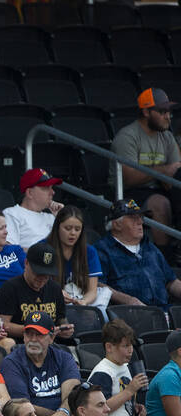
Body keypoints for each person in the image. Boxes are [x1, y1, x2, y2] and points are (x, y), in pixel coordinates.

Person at [112, 87, 181, 250]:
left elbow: (176, 172)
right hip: (128, 192)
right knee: (160, 203)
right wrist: (162, 171)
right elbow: (128, 177)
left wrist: (167, 175)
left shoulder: (167, 137)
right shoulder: (127, 136)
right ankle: (165, 257)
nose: (168, 116)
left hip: (158, 187)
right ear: (146, 112)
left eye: (169, 112)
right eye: (162, 111)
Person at [93, 199, 181, 308]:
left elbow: (171, 281)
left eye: (141, 217)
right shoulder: (102, 250)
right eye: (133, 218)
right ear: (117, 225)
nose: (140, 222)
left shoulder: (150, 247)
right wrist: (129, 300)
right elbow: (97, 285)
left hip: (164, 312)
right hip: (130, 316)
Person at [0, 311, 81, 416]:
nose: (33, 339)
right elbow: (22, 406)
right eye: (29, 334)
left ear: (51, 338)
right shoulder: (12, 362)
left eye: (39, 335)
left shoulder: (64, 358)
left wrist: (64, 411)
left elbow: (72, 393)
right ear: (23, 336)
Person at [0, 242, 74, 342]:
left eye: (47, 274)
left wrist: (65, 328)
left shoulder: (55, 288)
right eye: (38, 273)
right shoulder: (10, 288)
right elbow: (2, 325)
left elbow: (61, 318)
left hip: (51, 344)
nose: (42, 278)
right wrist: (36, 331)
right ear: (26, 263)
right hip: (21, 345)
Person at [45, 205, 107, 309]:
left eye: (77, 229)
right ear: (57, 228)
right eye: (67, 228)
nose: (73, 233)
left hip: (79, 304)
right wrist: (56, 292)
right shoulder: (43, 249)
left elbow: (92, 291)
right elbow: (37, 283)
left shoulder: (90, 252)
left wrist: (83, 301)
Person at [89, 320, 147, 416]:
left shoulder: (126, 367)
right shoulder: (103, 372)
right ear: (109, 347)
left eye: (131, 345)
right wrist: (129, 391)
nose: (130, 350)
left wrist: (136, 407)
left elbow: (123, 403)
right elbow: (100, 408)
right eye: (125, 346)